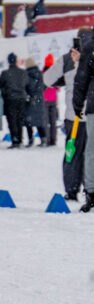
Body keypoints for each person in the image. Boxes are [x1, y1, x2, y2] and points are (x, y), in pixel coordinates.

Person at [46, 32, 88, 200]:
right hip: (91, 114)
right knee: (90, 153)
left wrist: (65, 80)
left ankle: (72, 189)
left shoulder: (66, 59)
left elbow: (48, 79)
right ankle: (90, 190)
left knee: (73, 154)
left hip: (74, 116)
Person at [73, 29, 94, 212]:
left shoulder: (90, 47)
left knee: (91, 151)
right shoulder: (90, 47)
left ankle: (92, 193)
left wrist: (78, 104)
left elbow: (82, 78)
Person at [0, 53, 28, 148]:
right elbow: (27, 84)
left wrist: (5, 92)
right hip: (21, 98)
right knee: (19, 120)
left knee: (12, 120)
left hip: (10, 99)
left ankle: (15, 140)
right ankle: (20, 139)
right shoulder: (23, 72)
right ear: (16, 60)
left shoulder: (5, 73)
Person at [24, 57, 47, 147]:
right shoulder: (40, 74)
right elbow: (44, 86)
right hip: (39, 100)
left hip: (30, 100)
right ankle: (43, 139)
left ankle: (30, 140)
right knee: (39, 121)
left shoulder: (26, 75)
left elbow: (27, 87)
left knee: (28, 122)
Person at [42, 54, 59, 147]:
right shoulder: (55, 73)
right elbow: (57, 88)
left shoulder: (42, 73)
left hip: (45, 99)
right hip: (53, 99)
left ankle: (47, 139)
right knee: (53, 121)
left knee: (46, 121)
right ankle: (53, 140)